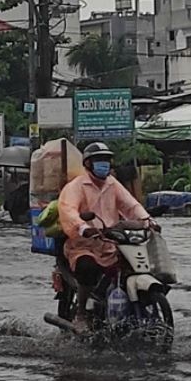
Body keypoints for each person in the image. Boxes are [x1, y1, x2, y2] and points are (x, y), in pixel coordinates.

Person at [57, 142, 156, 333]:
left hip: (111, 241)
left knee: (135, 266)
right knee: (88, 268)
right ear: (88, 164)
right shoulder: (76, 186)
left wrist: (147, 220)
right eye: (98, 161)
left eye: (106, 161)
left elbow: (131, 205)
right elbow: (68, 211)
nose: (103, 165)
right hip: (83, 244)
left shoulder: (112, 184)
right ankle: (81, 314)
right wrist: (83, 228)